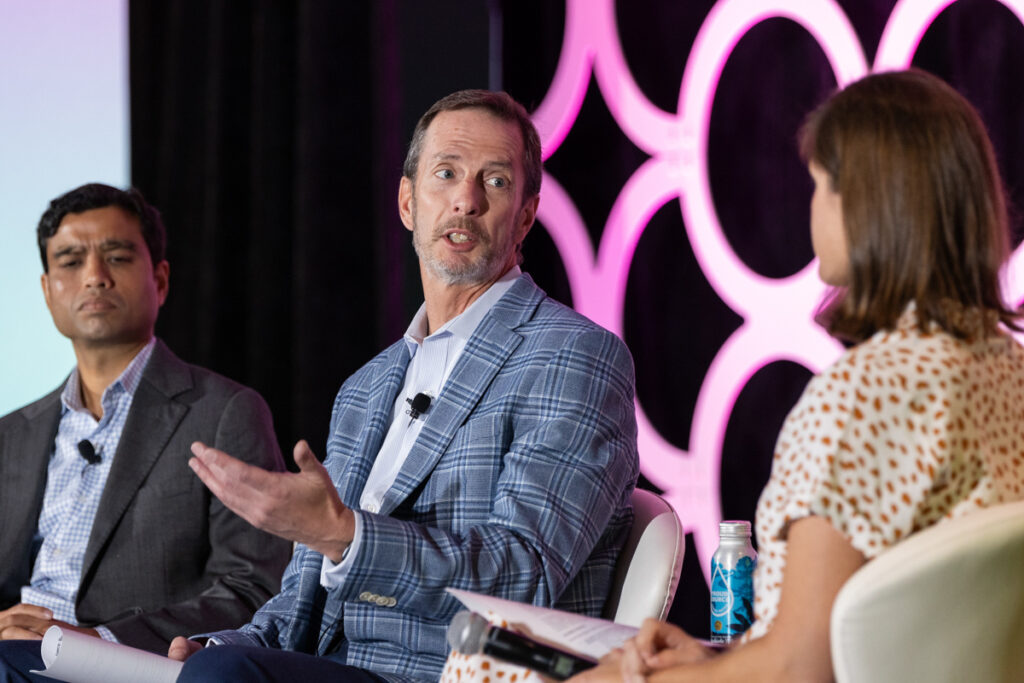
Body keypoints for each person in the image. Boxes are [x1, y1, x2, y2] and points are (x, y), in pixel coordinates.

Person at [571, 69, 1024, 683]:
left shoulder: (861, 395)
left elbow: (798, 669)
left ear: (865, 201)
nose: (810, 206)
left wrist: (630, 680)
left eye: (819, 184)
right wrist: (718, 657)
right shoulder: (1010, 372)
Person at [170, 89, 639, 682]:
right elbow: (302, 601)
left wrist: (348, 536)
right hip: (329, 669)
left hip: (445, 673)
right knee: (25, 661)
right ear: (408, 202)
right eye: (446, 174)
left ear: (524, 215)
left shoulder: (573, 356)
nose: (465, 201)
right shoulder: (367, 387)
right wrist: (220, 644)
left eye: (494, 181)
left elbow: (526, 574)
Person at [0, 184, 292, 678]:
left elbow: (255, 585)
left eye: (115, 256)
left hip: (130, 663)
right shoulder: (12, 433)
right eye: (70, 262)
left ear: (159, 280)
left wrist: (98, 641)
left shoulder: (224, 412)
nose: (94, 277)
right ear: (48, 291)